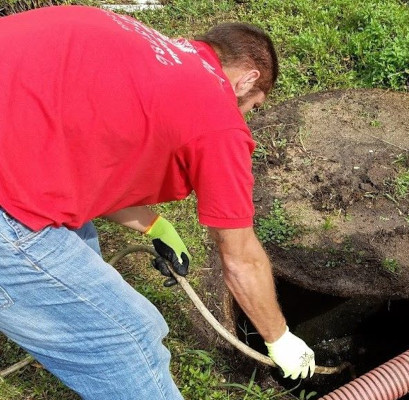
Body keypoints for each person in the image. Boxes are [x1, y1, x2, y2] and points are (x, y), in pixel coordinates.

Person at [0, 5, 314, 399]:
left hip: (17, 155)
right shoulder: (217, 118)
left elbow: (93, 171)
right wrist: (280, 339)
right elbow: (240, 259)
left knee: (81, 242)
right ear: (247, 79)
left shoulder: (133, 43)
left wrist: (155, 225)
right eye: (253, 106)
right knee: (128, 337)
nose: (245, 118)